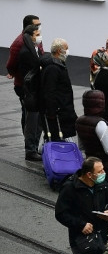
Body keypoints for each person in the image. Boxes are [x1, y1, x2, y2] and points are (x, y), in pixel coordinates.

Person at [75, 90, 108, 198]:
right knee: (105, 198)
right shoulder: (100, 123)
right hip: (105, 167)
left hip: (90, 165)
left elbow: (81, 146)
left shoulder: (79, 120)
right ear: (101, 104)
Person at [7, 18, 43, 160]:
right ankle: (30, 148)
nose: (40, 33)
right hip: (27, 88)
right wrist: (15, 74)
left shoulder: (34, 45)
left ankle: (33, 145)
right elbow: (12, 64)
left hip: (35, 88)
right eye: (37, 28)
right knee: (31, 118)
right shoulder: (21, 46)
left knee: (34, 118)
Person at [39, 38, 77, 138]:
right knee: (58, 140)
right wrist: (52, 113)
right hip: (59, 115)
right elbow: (49, 92)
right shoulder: (53, 68)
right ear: (60, 51)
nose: (68, 51)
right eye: (66, 48)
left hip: (63, 111)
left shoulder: (58, 65)